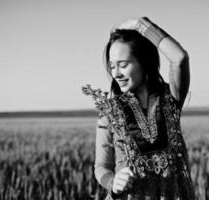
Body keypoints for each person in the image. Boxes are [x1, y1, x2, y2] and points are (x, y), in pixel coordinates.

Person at [82, 17, 195, 200]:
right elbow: (101, 167)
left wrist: (141, 25)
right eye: (112, 66)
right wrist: (113, 182)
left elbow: (180, 58)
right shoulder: (110, 112)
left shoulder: (170, 99)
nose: (116, 73)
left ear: (144, 62)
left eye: (123, 65)